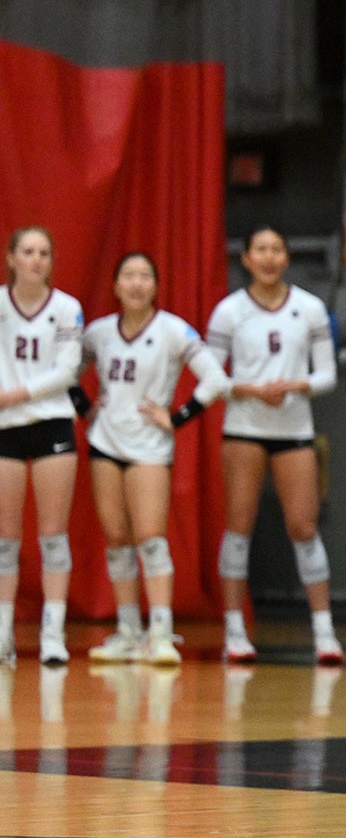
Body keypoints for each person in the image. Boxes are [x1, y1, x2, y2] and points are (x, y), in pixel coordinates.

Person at [81, 252, 231, 666]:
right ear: (115, 286)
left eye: (145, 276)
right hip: (105, 443)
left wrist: (178, 416)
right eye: (128, 275)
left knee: (150, 536)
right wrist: (84, 405)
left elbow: (217, 379)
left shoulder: (172, 331)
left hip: (149, 447)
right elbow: (66, 369)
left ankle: (161, 633)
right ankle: (129, 631)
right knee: (115, 538)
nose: (136, 283)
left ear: (156, 286)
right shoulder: (98, 333)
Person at [206, 227, 342, 664]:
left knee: (304, 527)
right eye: (260, 249)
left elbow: (328, 376)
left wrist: (297, 384)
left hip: (294, 430)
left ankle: (324, 632)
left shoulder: (309, 308)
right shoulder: (229, 312)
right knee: (239, 527)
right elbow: (211, 378)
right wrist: (247, 390)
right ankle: (234, 630)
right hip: (244, 429)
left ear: (286, 257)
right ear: (245, 258)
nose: (269, 258)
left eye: (277, 250)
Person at [0, 226, 84, 666]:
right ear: (11, 258)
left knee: (53, 534)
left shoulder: (67, 308)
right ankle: (2, 632)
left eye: (44, 253)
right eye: (28, 252)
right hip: (4, 428)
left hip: (51, 421)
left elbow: (69, 369)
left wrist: (18, 393)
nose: (36, 260)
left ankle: (53, 631)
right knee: (4, 539)